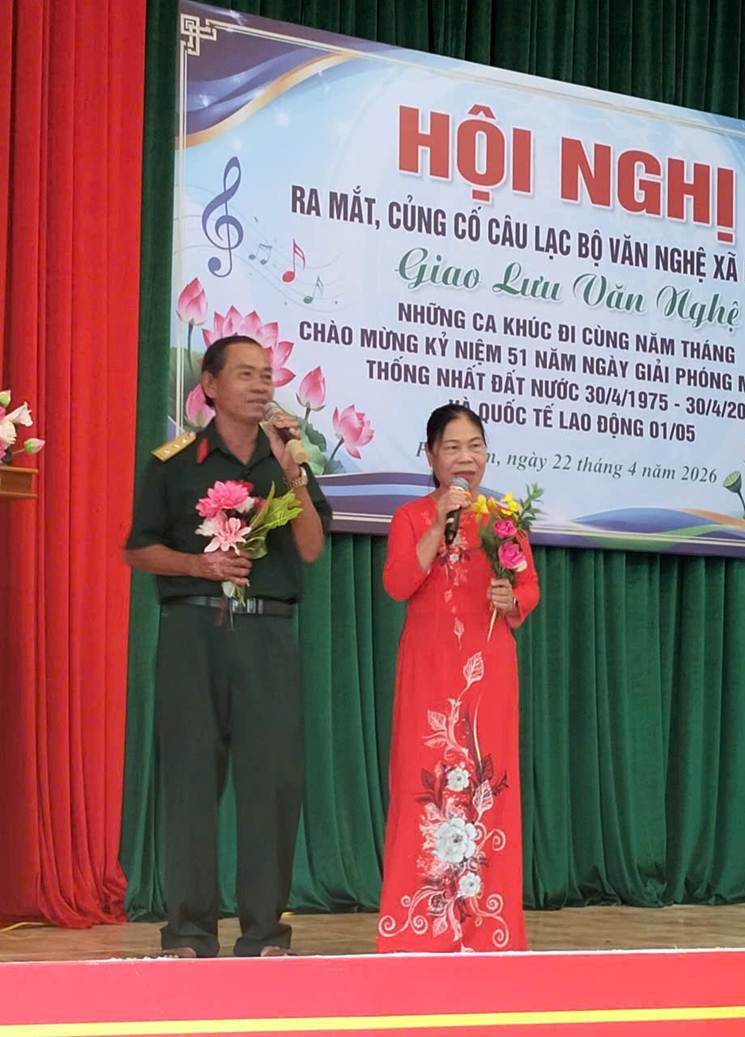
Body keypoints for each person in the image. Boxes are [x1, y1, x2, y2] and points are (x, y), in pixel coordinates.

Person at [125, 333, 331, 958]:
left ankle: (264, 934)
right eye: (245, 373)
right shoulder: (174, 462)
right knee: (190, 777)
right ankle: (188, 933)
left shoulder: (287, 460)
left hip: (268, 633)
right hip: (193, 631)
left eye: (266, 374)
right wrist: (199, 565)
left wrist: (293, 474)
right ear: (209, 386)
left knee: (272, 783)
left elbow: (312, 548)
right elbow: (139, 549)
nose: (261, 384)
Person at [376, 404, 540, 953]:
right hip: (428, 669)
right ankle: (421, 929)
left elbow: (528, 589)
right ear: (431, 456)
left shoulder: (504, 520)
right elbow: (398, 583)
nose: (465, 457)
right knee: (423, 785)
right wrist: (438, 523)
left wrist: (510, 598)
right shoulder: (410, 517)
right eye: (452, 447)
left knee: (488, 786)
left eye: (475, 446)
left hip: (488, 670)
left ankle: (486, 929)